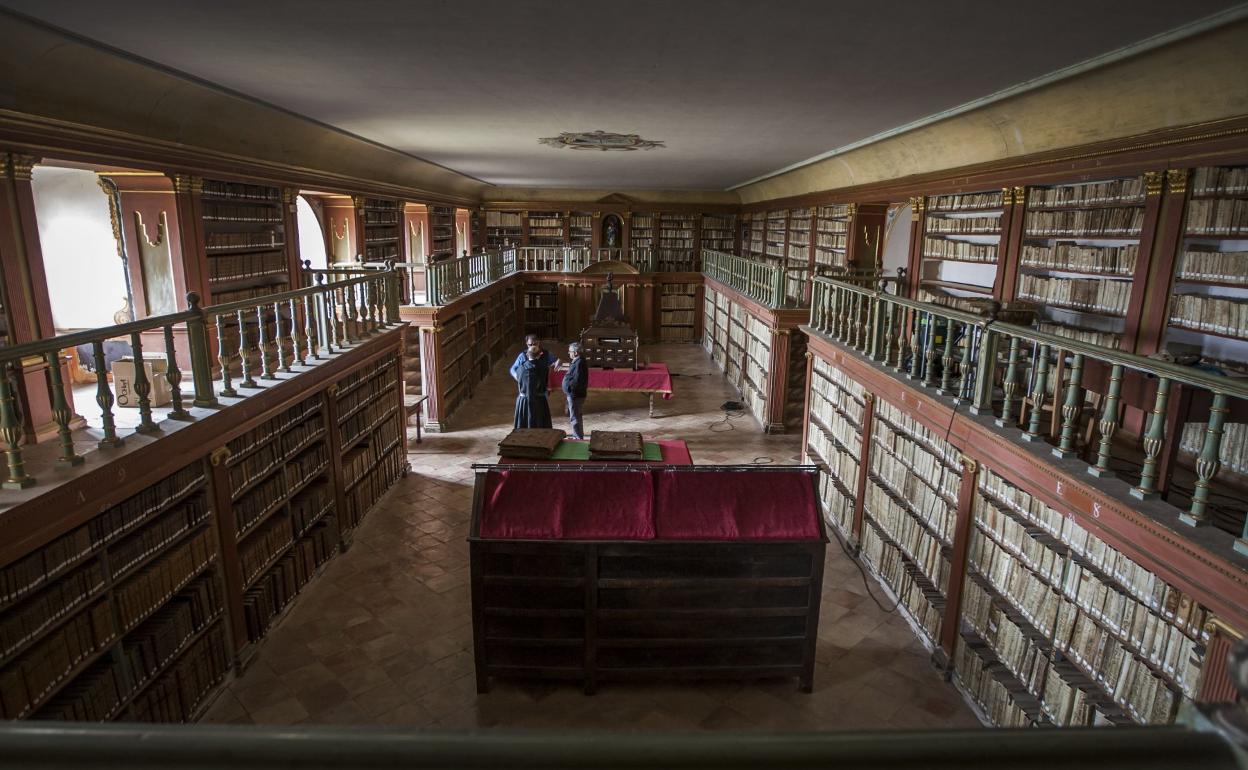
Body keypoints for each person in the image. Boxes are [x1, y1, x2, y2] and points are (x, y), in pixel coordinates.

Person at [513, 344, 554, 430]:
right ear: (539, 355)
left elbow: (519, 380)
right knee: (540, 423)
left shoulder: (520, 368)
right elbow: (545, 382)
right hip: (539, 401)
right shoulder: (544, 368)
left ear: (527, 355)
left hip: (524, 401)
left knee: (524, 424)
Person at [562, 341, 588, 439]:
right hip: (575, 394)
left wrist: (570, 391)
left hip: (575, 395)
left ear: (576, 352)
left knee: (575, 417)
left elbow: (577, 381)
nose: (569, 353)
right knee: (576, 416)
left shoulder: (579, 363)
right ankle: (577, 436)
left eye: (570, 351)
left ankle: (577, 438)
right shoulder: (578, 361)